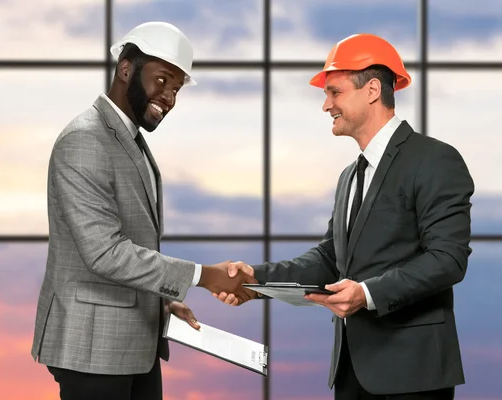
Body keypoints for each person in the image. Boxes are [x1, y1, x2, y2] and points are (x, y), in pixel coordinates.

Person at [215, 33, 474, 400]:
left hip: (413, 376)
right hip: (352, 374)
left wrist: (367, 294)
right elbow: (329, 259)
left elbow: (447, 259)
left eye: (334, 92)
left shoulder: (434, 160)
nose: (326, 105)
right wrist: (256, 280)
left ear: (371, 90)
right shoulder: (350, 176)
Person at [31, 21, 256, 400]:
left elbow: (130, 242)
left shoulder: (128, 139)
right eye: (163, 80)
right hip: (93, 351)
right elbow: (105, 253)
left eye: (177, 88)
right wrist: (204, 276)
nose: (168, 97)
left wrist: (161, 304)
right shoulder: (85, 140)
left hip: (133, 344)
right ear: (125, 69)